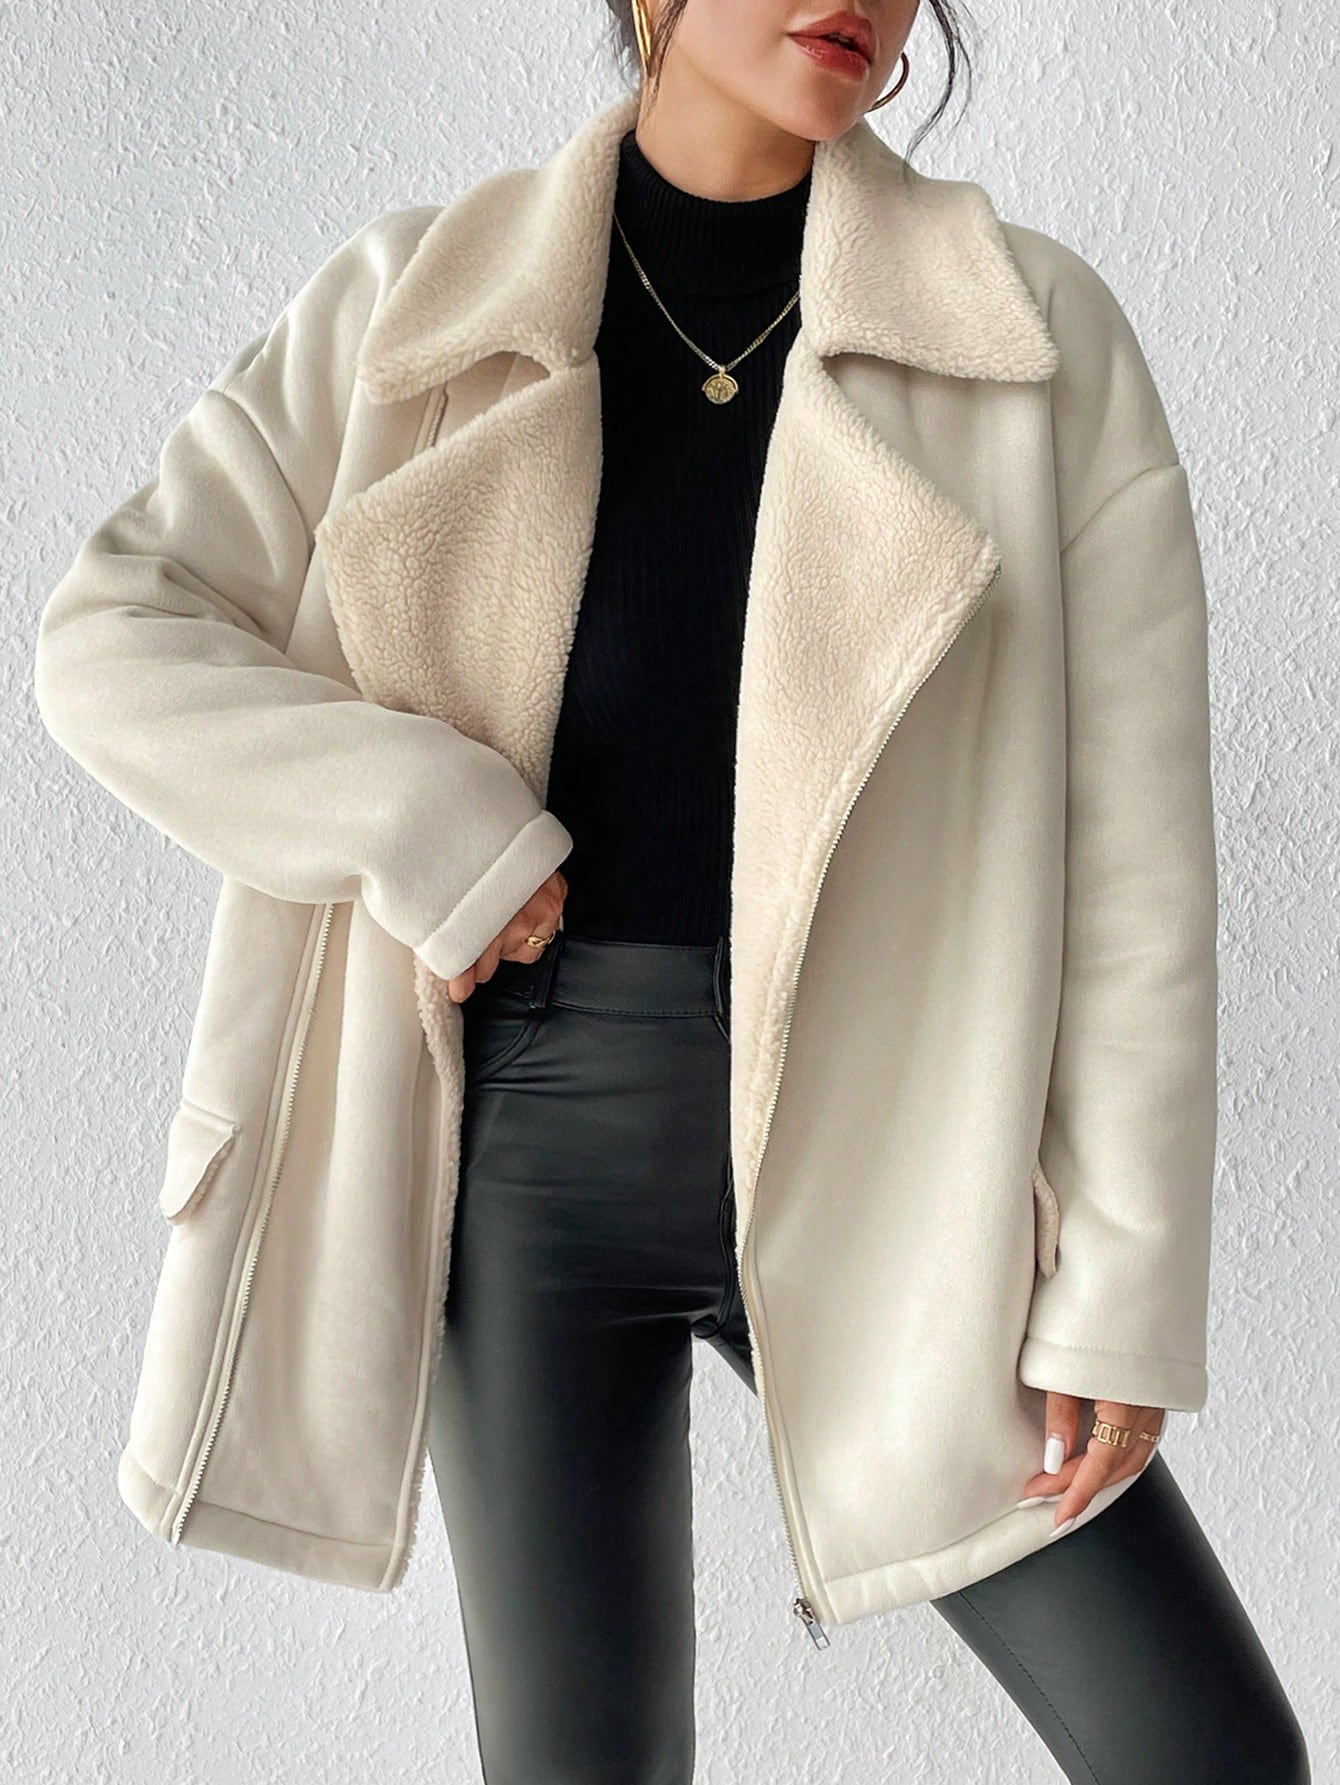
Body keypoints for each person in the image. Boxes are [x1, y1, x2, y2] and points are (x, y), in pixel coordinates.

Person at [33, 1, 1310, 1780]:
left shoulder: (1030, 333)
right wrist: (427, 822)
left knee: (1205, 1748)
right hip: (522, 1152)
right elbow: (114, 632)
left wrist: (1121, 1276)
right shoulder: (415, 302)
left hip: (908, 1145)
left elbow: (1138, 862)